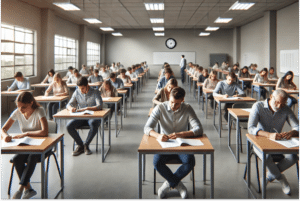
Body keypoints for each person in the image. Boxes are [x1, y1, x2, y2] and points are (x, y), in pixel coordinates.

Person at [144, 87, 203, 199]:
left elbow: (199, 129)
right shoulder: (160, 107)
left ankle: (168, 184)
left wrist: (181, 134)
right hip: (165, 144)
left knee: (190, 161)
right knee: (157, 162)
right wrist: (158, 135)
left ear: (182, 100)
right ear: (169, 98)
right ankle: (178, 185)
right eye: (171, 102)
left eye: (177, 103)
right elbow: (147, 128)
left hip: (182, 144)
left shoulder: (187, 108)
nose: (173, 106)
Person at [248, 89, 299, 195]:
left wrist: (293, 132)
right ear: (271, 97)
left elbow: (297, 126)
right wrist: (268, 135)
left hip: (277, 143)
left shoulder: (285, 109)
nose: (279, 106)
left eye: (283, 103)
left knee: (293, 157)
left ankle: (268, 177)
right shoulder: (258, 106)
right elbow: (251, 128)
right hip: (259, 142)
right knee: (266, 157)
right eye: (277, 102)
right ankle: (282, 180)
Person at [1, 92, 48, 199]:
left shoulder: (39, 111)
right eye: (18, 107)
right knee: (17, 159)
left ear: (31, 103)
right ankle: (29, 189)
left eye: (23, 107)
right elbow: (3, 129)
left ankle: (20, 189)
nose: (20, 110)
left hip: (41, 147)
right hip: (26, 146)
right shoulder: (18, 111)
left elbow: (45, 132)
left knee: (32, 157)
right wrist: (5, 136)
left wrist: (26, 133)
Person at [66, 77, 103, 156]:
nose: (81, 91)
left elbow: (100, 105)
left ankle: (86, 144)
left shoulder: (95, 92)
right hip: (82, 116)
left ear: (87, 85)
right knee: (69, 126)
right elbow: (68, 104)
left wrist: (86, 108)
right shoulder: (77, 92)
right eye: (79, 88)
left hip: (93, 116)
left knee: (93, 123)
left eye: (82, 88)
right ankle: (80, 145)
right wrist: (71, 108)